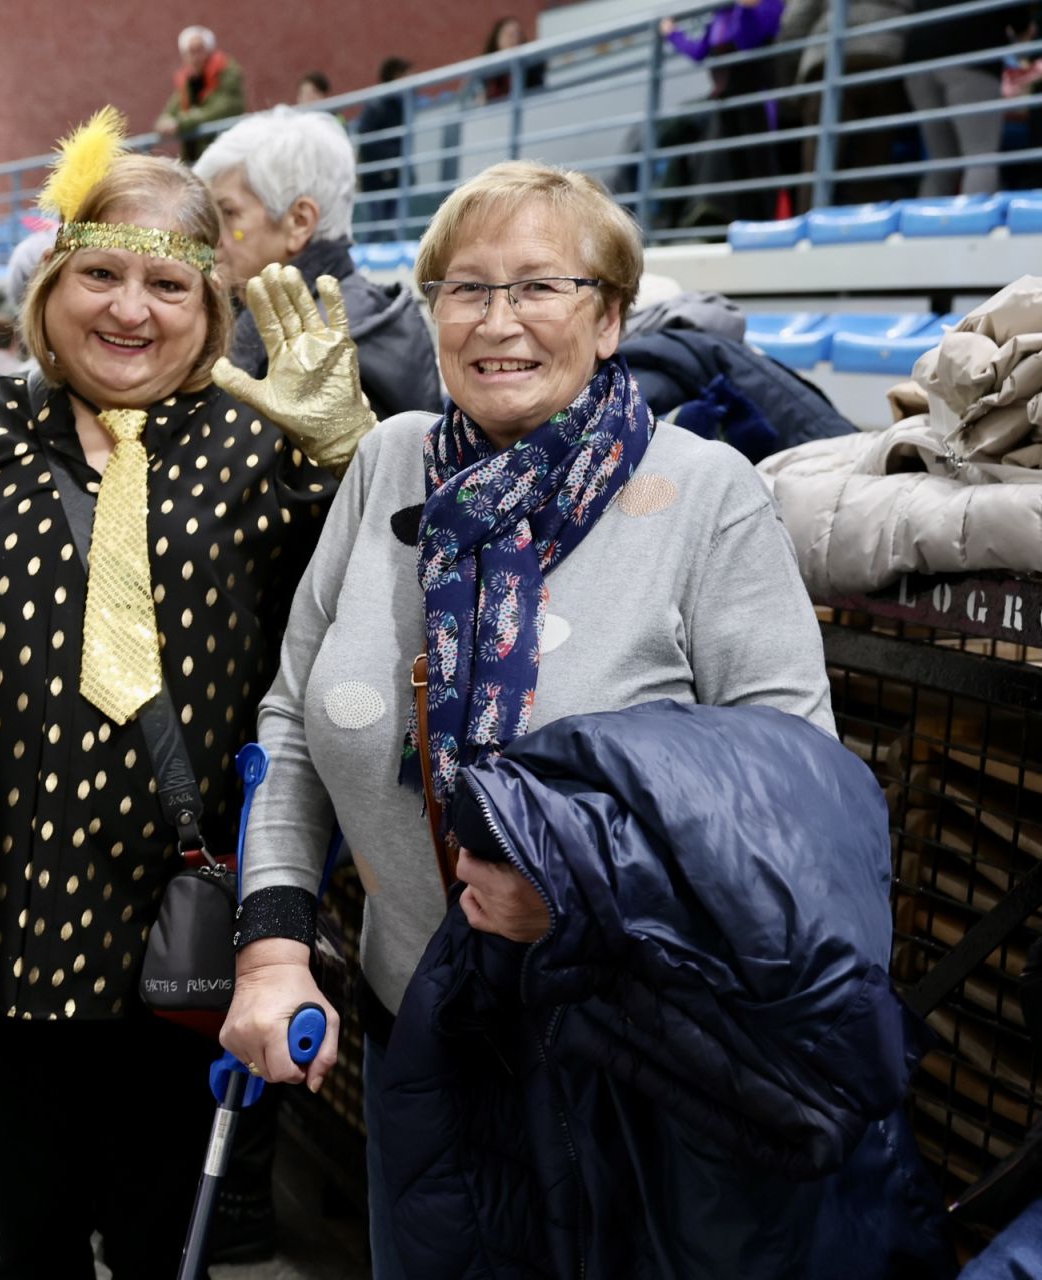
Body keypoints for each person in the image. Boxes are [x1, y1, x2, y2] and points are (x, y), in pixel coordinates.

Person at [217, 160, 941, 1277]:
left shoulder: (705, 494)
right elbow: (294, 719)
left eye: (539, 287)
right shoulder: (387, 460)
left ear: (608, 318)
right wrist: (272, 942)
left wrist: (579, 889)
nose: (497, 321)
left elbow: (796, 812)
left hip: (630, 1065)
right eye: (464, 288)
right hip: (418, 1029)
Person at [0, 106, 375, 1278]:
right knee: (31, 1221)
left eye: (168, 282)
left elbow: (373, 607)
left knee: (170, 1233)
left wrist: (346, 453)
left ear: (212, 305)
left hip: (180, 922)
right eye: (98, 272)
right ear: (49, 288)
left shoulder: (261, 447)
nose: (128, 306)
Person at [196, 105, 441, 420]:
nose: (212, 235)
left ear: (299, 222)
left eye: (228, 213)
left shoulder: (334, 344)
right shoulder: (277, 315)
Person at [660, 0, 789, 224]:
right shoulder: (721, 13)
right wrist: (673, 34)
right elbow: (700, 52)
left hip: (757, 95)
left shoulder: (768, 4)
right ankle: (748, 225)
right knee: (737, 166)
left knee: (762, 164)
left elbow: (748, 39)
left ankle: (771, 224)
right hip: (727, 100)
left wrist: (746, 10)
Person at [780, 0, 914, 207]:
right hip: (886, 55)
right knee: (872, 163)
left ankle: (810, 226)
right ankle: (863, 231)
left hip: (830, 57)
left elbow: (795, 21)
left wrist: (799, 57)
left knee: (819, 162)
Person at [905, 0, 1034, 196]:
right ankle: (972, 226)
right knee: (980, 157)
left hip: (917, 59)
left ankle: (925, 223)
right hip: (970, 55)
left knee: (942, 161)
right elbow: (1019, 19)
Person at [156, 25, 247, 164]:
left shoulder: (226, 71)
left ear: (209, 50)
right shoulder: (187, 80)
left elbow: (224, 107)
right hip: (197, 156)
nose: (195, 57)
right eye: (190, 52)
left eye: (199, 50)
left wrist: (181, 123)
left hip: (225, 153)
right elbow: (171, 110)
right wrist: (165, 122)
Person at [353, 56, 414, 237]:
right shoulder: (377, 106)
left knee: (392, 225)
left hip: (395, 176)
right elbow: (366, 141)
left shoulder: (402, 106)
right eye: (406, 75)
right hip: (377, 178)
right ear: (396, 76)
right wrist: (392, 158)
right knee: (377, 225)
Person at [480, 17, 546, 103]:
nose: (513, 38)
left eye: (517, 33)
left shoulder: (533, 67)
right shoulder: (485, 72)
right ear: (497, 39)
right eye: (508, 34)